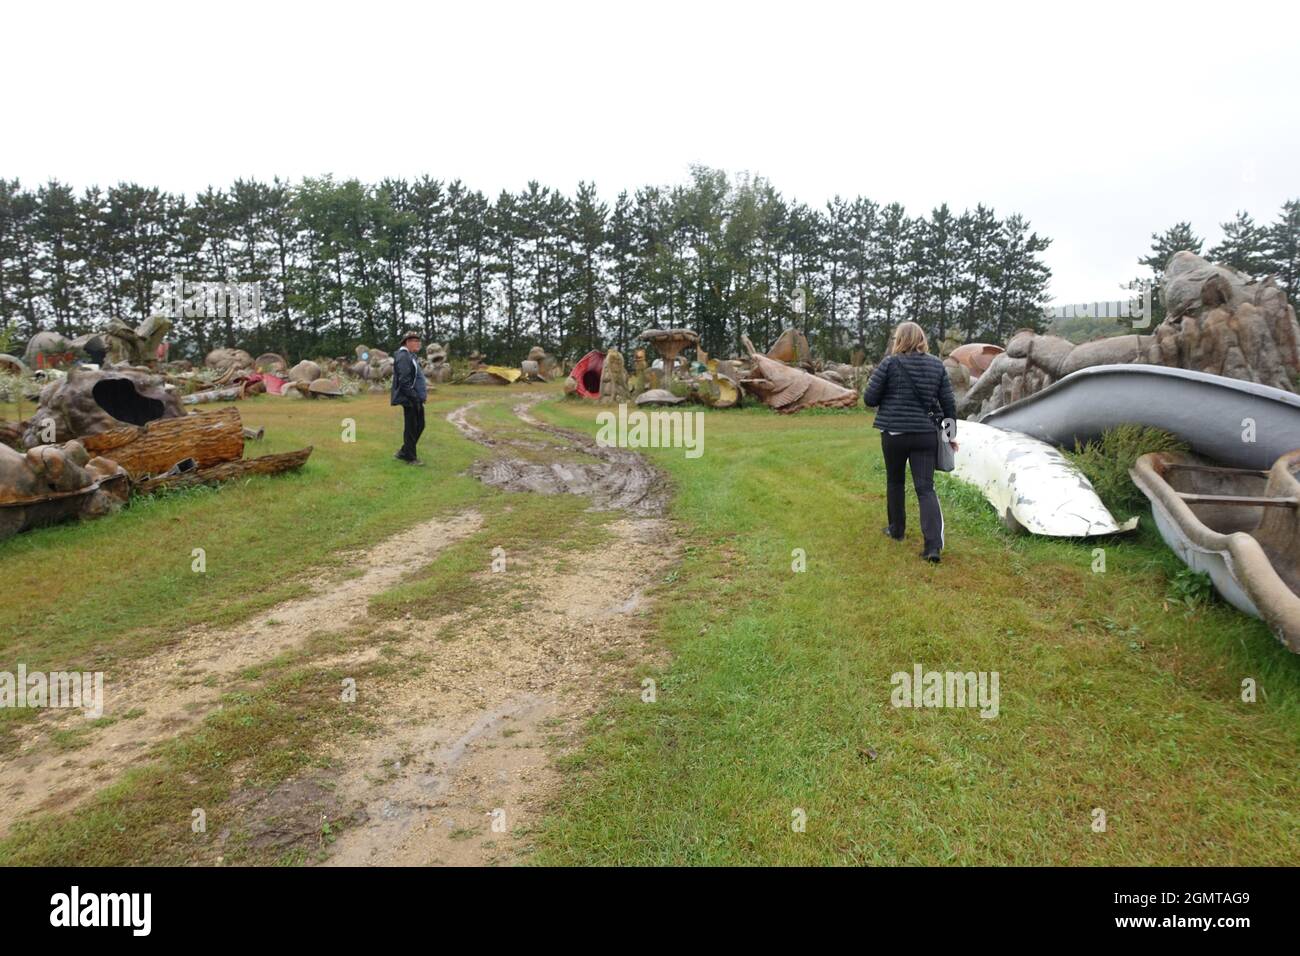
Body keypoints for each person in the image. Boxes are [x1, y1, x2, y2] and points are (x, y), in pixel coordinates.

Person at [861, 321, 957, 563]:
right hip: (925, 435)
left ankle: (896, 530)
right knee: (925, 488)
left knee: (895, 481)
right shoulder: (937, 365)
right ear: (922, 339)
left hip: (893, 434)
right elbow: (949, 405)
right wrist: (949, 437)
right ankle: (932, 547)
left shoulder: (890, 363)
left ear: (899, 339)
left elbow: (870, 399)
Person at [391, 331, 428, 465]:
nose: (418, 343)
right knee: (412, 427)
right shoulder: (403, 357)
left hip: (414, 398)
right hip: (410, 398)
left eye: (419, 340)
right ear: (407, 342)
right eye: (415, 340)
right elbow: (404, 381)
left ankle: (404, 452)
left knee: (419, 425)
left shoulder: (410, 356)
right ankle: (410, 457)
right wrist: (415, 397)